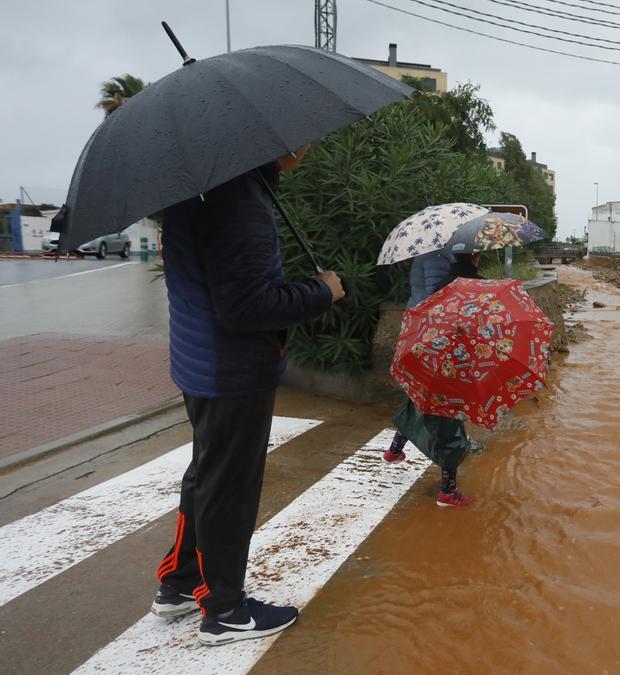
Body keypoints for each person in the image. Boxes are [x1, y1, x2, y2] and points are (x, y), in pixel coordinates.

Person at [150, 145, 345, 646]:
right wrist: (323, 291)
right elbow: (247, 307)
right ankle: (225, 610)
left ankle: (179, 583)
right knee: (229, 488)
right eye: (302, 136)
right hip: (231, 370)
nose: (307, 146)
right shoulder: (239, 201)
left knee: (207, 473)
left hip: (199, 361)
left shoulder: (201, 187)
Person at [383, 252, 483, 507]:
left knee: (417, 398)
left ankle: (394, 451)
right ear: (476, 259)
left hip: (424, 347)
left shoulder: (441, 285)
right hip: (450, 364)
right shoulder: (471, 291)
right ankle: (448, 492)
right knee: (450, 423)